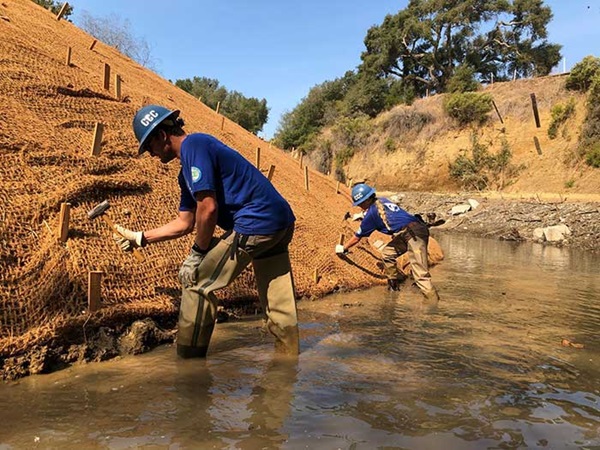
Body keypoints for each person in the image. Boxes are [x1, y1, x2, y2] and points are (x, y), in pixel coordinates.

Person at [113, 104, 299, 358]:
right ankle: (288, 359)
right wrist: (140, 238)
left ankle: (189, 364)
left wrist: (198, 253)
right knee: (278, 296)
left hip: (255, 222)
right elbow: (185, 222)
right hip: (279, 223)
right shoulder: (187, 172)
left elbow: (208, 209)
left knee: (196, 280)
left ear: (162, 136)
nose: (151, 154)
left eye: (149, 147)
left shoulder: (195, 146)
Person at [335, 183, 439, 300]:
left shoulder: (371, 215)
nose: (360, 207)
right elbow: (387, 215)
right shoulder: (382, 200)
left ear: (366, 201)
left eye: (360, 204)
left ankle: (433, 307)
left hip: (414, 235)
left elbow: (357, 237)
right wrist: (362, 215)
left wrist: (343, 248)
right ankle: (393, 284)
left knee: (421, 275)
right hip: (413, 230)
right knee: (387, 253)